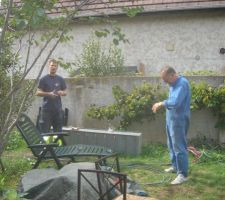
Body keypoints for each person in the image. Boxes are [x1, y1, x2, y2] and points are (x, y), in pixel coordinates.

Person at [152, 66, 191, 185]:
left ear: (172, 75)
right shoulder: (173, 84)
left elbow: (175, 102)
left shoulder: (182, 84)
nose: (164, 82)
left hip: (179, 119)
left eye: (165, 79)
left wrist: (161, 103)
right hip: (171, 118)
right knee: (171, 143)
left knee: (179, 146)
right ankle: (175, 166)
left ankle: (182, 174)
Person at [36, 59, 67, 133]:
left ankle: (56, 145)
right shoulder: (43, 79)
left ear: (57, 67)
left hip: (58, 110)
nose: (53, 67)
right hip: (46, 110)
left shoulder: (60, 79)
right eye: (52, 65)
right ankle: (45, 145)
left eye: (55, 66)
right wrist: (49, 94)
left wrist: (61, 92)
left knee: (58, 133)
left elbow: (65, 92)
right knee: (44, 133)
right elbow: (37, 93)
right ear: (49, 66)